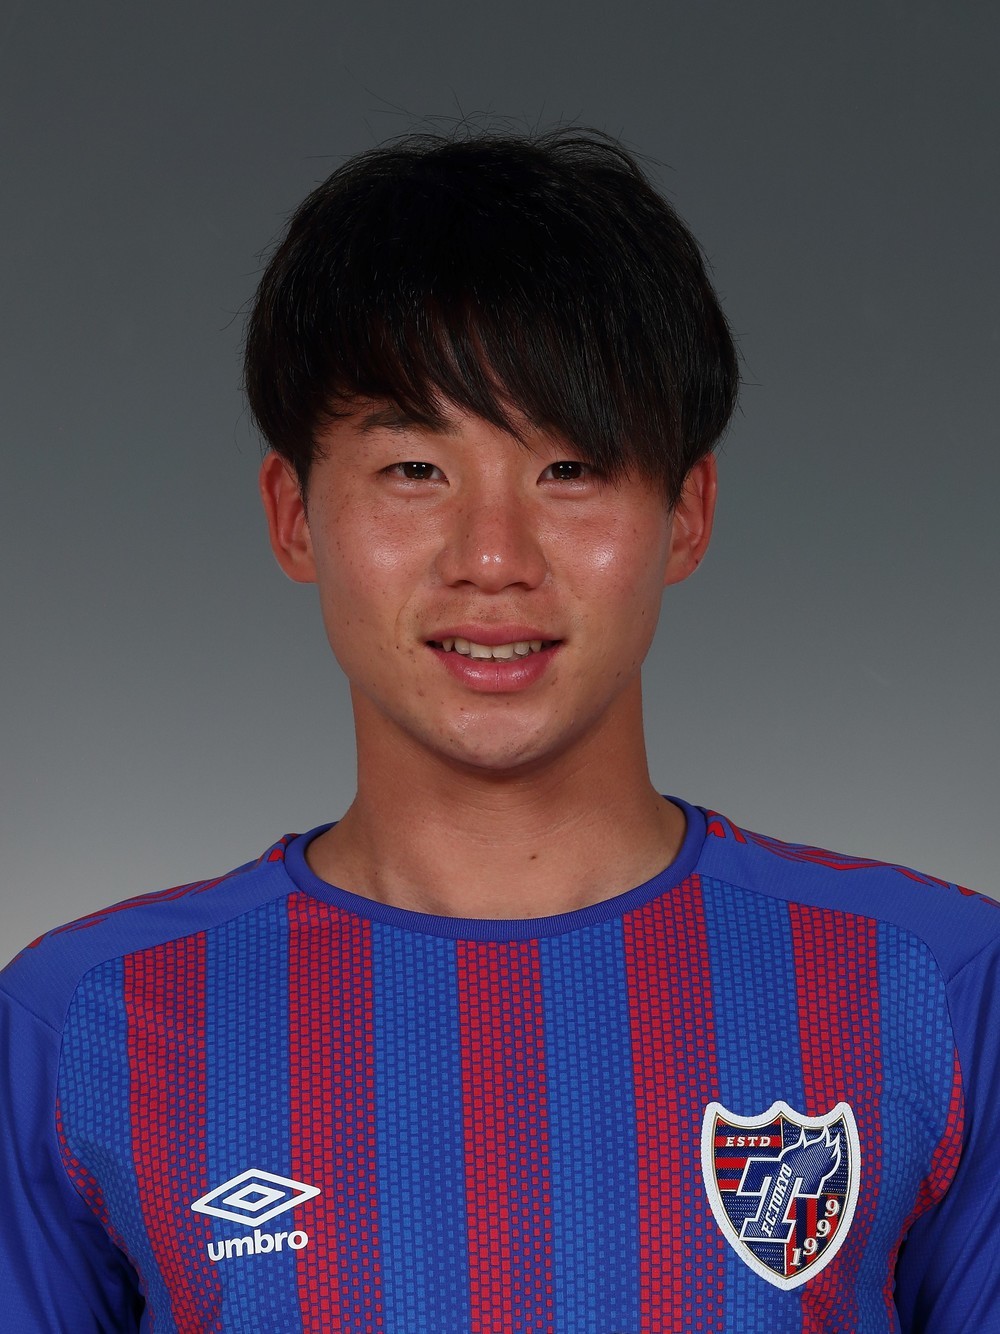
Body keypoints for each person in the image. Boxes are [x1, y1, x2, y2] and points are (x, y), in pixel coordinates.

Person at [1, 127, 997, 1334]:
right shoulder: (85, 1020)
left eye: (569, 468)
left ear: (687, 513)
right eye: (415, 468)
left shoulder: (935, 987)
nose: (492, 559)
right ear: (294, 515)